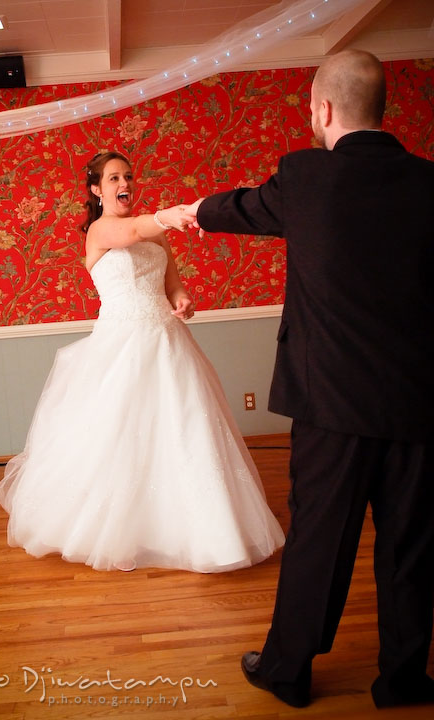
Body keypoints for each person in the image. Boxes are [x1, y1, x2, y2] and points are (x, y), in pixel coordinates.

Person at [182, 49, 434, 708]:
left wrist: (196, 211)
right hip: (418, 405)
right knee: (412, 547)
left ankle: (288, 670)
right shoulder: (430, 183)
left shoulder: (303, 175)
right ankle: (403, 679)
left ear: (322, 109)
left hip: (330, 404)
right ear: (383, 109)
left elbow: (242, 208)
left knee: (320, 541)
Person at [0, 150, 285, 574]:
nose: (123, 184)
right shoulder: (101, 230)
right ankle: (116, 530)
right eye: (112, 178)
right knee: (118, 435)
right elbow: (132, 230)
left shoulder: (155, 232)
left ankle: (198, 529)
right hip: (120, 345)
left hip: (168, 343)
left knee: (183, 431)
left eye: (127, 176)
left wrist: (181, 301)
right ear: (96, 190)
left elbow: (173, 285)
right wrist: (172, 215)